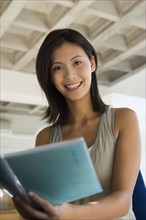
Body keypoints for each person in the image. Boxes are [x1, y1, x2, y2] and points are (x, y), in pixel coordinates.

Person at [12, 28, 141, 219]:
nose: (70, 75)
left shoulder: (123, 119)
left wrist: (69, 213)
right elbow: (47, 201)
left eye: (77, 63)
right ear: (49, 76)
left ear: (92, 63)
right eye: (58, 67)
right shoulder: (45, 137)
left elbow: (123, 201)